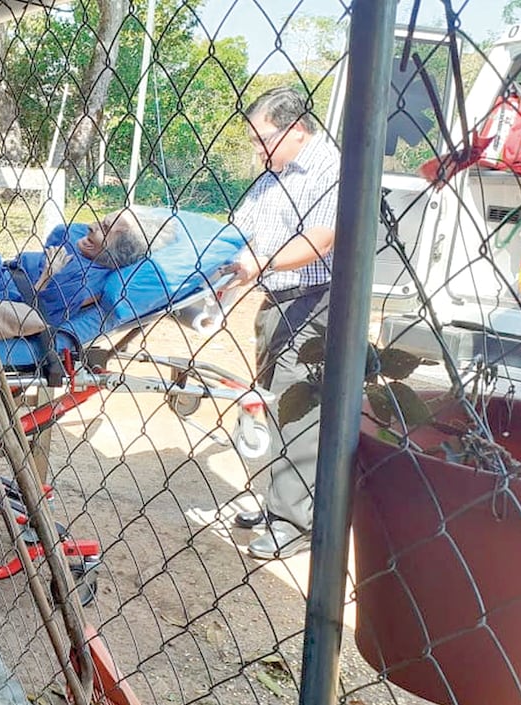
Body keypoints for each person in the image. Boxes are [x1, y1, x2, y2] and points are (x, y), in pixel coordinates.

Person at [226, 86, 340, 560]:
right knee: (273, 400)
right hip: (275, 299)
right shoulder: (272, 174)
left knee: (301, 410)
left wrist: (261, 260)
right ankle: (276, 502)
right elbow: (241, 229)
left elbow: (321, 239)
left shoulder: (331, 169)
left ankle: (294, 521)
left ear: (295, 131)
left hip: (316, 303)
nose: (257, 150)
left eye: (262, 140)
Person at [0, 206, 176, 326]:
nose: (91, 226)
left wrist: (47, 275)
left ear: (115, 251)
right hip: (2, 271)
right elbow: (62, 231)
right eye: (100, 220)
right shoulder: (78, 240)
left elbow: (44, 316)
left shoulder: (92, 283)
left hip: (10, 300)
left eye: (104, 229)